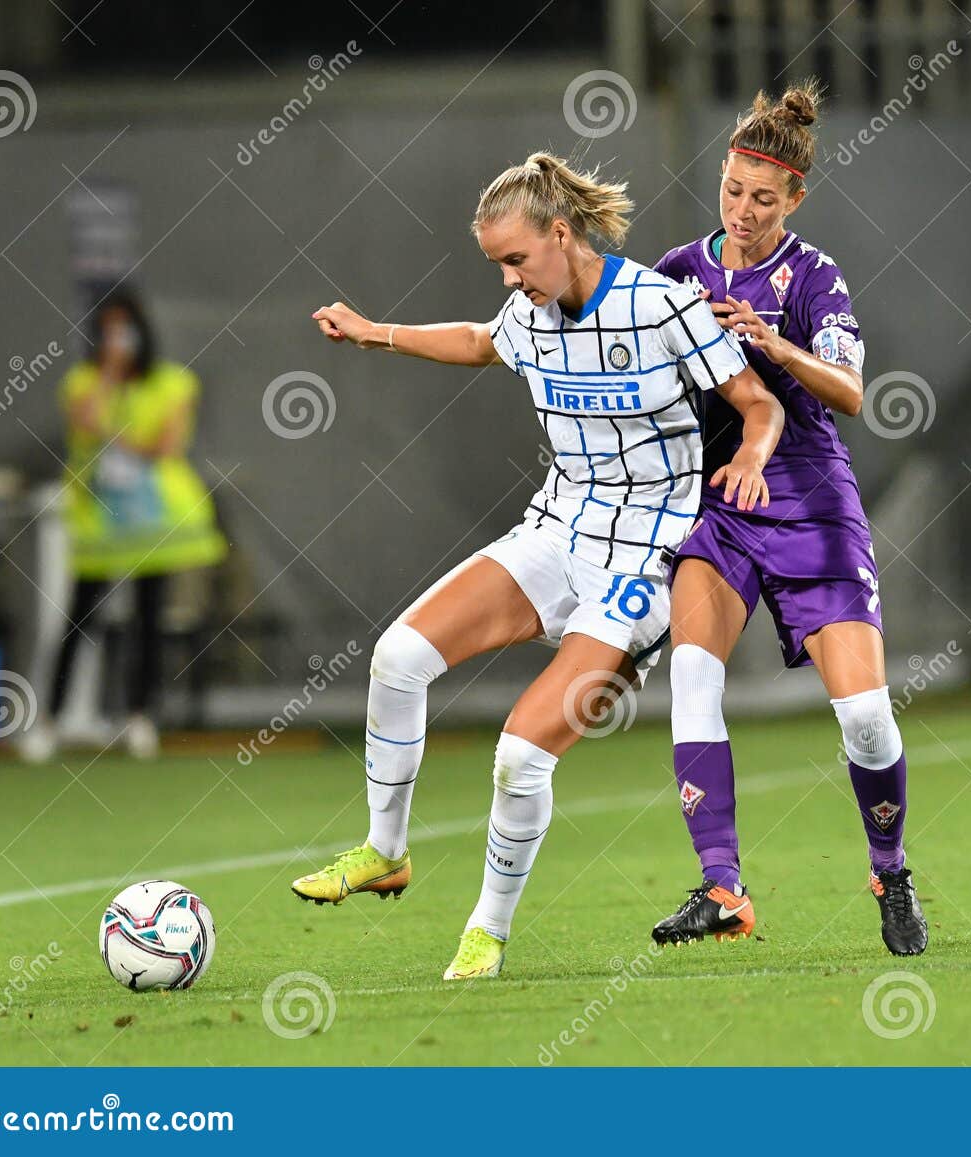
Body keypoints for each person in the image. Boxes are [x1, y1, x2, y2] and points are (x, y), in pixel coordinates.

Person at [292, 152, 783, 981]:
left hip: (645, 558)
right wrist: (377, 331)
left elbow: (757, 404)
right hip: (556, 533)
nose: (510, 279)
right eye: (498, 265)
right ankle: (386, 847)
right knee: (398, 656)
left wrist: (755, 458)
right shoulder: (527, 312)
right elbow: (482, 342)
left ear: (563, 234)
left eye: (517, 258)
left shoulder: (662, 307)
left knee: (522, 754)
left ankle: (486, 931)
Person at [649, 83, 929, 956]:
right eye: (732, 189)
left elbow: (850, 393)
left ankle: (890, 868)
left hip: (808, 500)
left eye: (763, 198)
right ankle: (723, 885)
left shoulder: (813, 277)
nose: (742, 209)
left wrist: (771, 343)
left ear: (796, 198)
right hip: (720, 504)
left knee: (867, 719)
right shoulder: (677, 274)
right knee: (692, 679)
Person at [22, 289, 228, 762]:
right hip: (99, 521)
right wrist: (110, 377)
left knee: (148, 620)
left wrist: (123, 438)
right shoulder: (82, 381)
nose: (119, 338)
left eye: (126, 328)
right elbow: (87, 421)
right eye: (109, 330)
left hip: (156, 522)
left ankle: (139, 718)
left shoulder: (174, 383)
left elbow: (166, 446)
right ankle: (47, 722)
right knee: (78, 618)